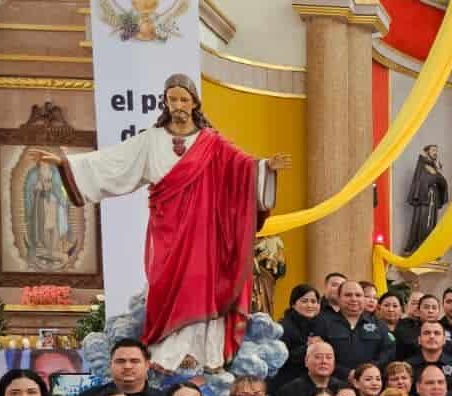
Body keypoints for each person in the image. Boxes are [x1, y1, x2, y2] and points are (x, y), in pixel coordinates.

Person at [38, 74, 286, 370]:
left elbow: (242, 168)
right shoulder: (151, 140)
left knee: (201, 284)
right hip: (167, 227)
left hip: (204, 231)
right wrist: (67, 164)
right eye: (173, 99)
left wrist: (266, 168)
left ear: (195, 103)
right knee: (166, 286)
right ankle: (167, 351)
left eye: (184, 99)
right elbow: (114, 162)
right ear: (165, 102)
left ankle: (203, 353)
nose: (178, 105)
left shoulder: (212, 143)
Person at [315, 280, 398, 378]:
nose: (354, 299)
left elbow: (388, 353)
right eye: (348, 295)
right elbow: (318, 356)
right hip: (335, 382)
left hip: (371, 383)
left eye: (358, 295)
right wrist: (347, 373)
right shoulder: (324, 324)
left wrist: (367, 372)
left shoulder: (379, 325)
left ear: (363, 298)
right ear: (338, 298)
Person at [276, 286, 321, 391]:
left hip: (311, 384)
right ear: (293, 304)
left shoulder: (319, 324)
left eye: (314, 301)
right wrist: (308, 347)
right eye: (304, 301)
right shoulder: (283, 327)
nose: (310, 305)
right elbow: (282, 359)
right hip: (287, 384)